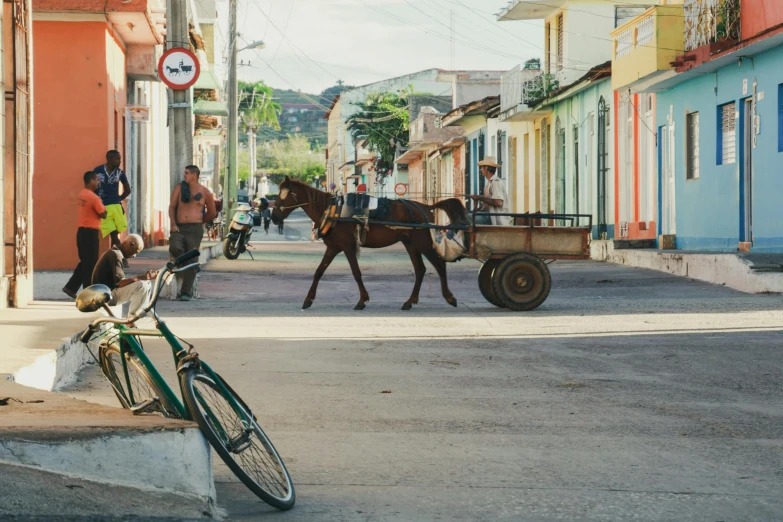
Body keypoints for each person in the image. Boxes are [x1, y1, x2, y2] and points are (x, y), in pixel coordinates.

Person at [169, 165, 216, 301]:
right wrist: (173, 223)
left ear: (194, 175)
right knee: (175, 248)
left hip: (194, 230)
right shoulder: (180, 188)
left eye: (187, 173)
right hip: (179, 227)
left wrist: (200, 221)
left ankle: (185, 292)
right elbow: (172, 207)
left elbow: (212, 212)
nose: (184, 175)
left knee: (192, 258)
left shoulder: (205, 192)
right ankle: (191, 267)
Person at [63, 171, 107, 299]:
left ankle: (71, 287)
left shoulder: (82, 194)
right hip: (90, 233)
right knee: (91, 263)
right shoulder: (94, 197)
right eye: (97, 180)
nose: (98, 183)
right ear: (91, 181)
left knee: (86, 262)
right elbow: (103, 214)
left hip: (82, 232)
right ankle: (87, 293)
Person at [92, 234, 157, 319]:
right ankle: (131, 319)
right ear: (131, 244)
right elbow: (120, 283)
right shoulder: (115, 254)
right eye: (135, 252)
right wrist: (142, 277)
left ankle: (145, 313)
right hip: (104, 297)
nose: (134, 256)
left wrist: (145, 278)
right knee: (142, 285)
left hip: (109, 293)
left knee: (147, 283)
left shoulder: (116, 253)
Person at [95, 150, 132, 266]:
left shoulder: (120, 173)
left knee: (115, 233)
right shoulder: (98, 171)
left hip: (115, 206)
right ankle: (120, 258)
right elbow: (93, 186)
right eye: (118, 159)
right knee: (113, 233)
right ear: (109, 159)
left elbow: (128, 190)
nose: (120, 161)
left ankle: (115, 259)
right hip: (103, 206)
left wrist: (118, 199)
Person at [469, 156, 512, 226]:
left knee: (467, 218)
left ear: (486, 168)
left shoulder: (496, 182)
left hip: (496, 219)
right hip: (489, 215)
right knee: (468, 215)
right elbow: (486, 205)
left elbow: (498, 202)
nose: (481, 170)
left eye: (482, 167)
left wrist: (479, 198)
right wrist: (476, 210)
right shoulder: (489, 183)